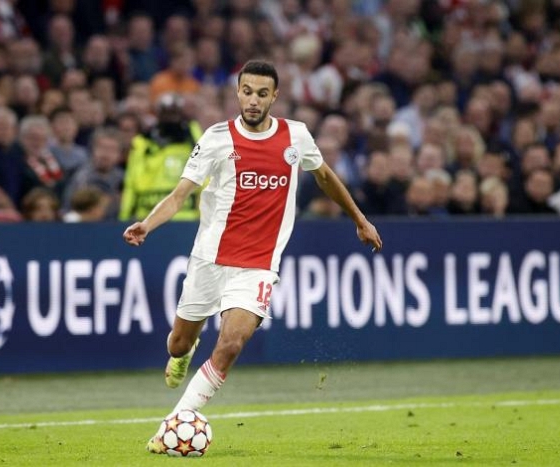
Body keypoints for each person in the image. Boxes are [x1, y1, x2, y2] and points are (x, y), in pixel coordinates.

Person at [122, 60, 382, 454]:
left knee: (231, 343)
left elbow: (325, 176)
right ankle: (184, 353)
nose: (254, 100)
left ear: (274, 96)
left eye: (262, 93)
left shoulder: (296, 136)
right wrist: (147, 224)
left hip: (258, 265)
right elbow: (179, 195)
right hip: (209, 260)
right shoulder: (216, 138)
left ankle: (175, 421)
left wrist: (360, 220)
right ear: (238, 93)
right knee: (177, 344)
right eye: (247, 92)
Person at [119, 92, 203, 221]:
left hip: (185, 218)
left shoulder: (193, 142)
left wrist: (204, 219)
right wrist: (124, 218)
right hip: (148, 217)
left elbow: (205, 180)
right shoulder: (142, 144)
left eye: (174, 114)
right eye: (166, 114)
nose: (171, 119)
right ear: (158, 115)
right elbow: (130, 184)